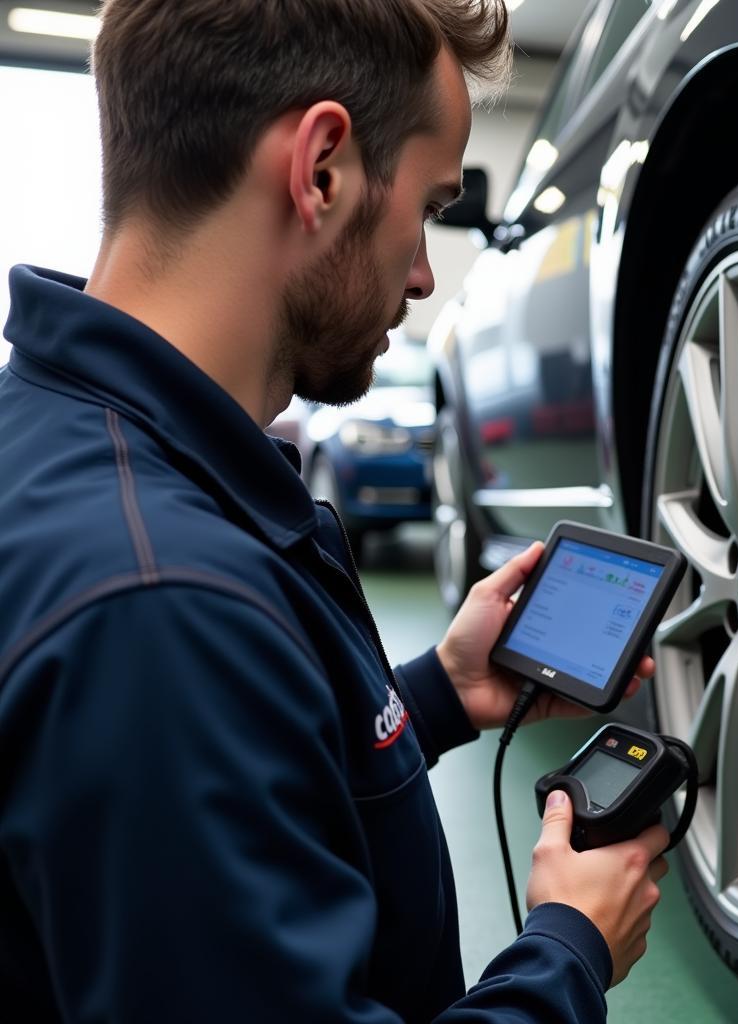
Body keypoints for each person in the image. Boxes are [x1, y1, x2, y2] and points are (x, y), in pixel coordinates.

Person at [0, 1, 669, 1020]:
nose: (421, 275)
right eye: (431, 209)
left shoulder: (70, 444)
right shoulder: (161, 610)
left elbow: (242, 758)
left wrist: (434, 694)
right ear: (320, 170)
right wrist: (567, 950)